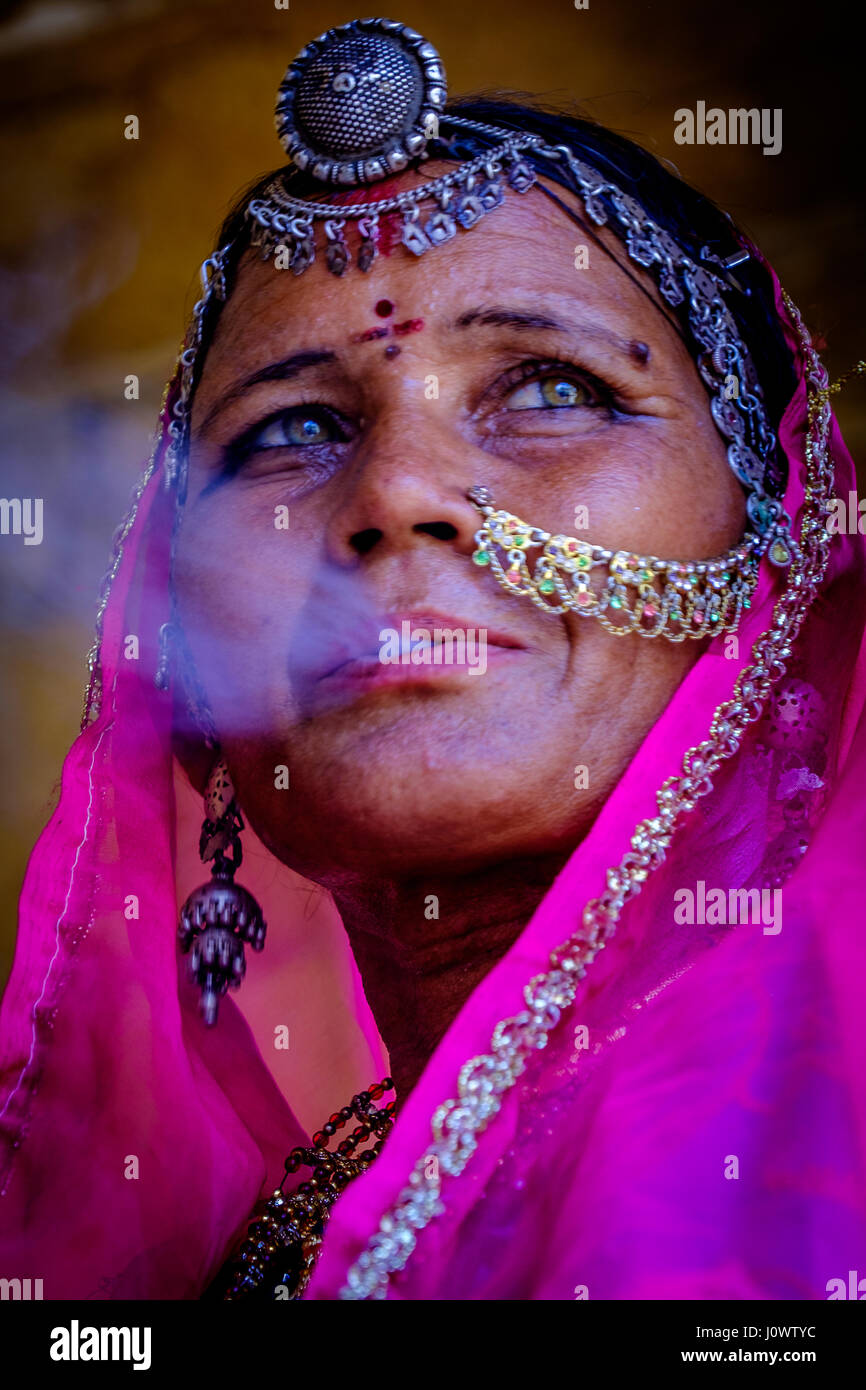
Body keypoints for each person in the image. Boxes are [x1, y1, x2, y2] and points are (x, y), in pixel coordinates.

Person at [1, 17, 864, 1302]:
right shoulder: (246, 1245)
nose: (395, 492)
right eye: (291, 426)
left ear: (771, 542)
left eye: (552, 388)